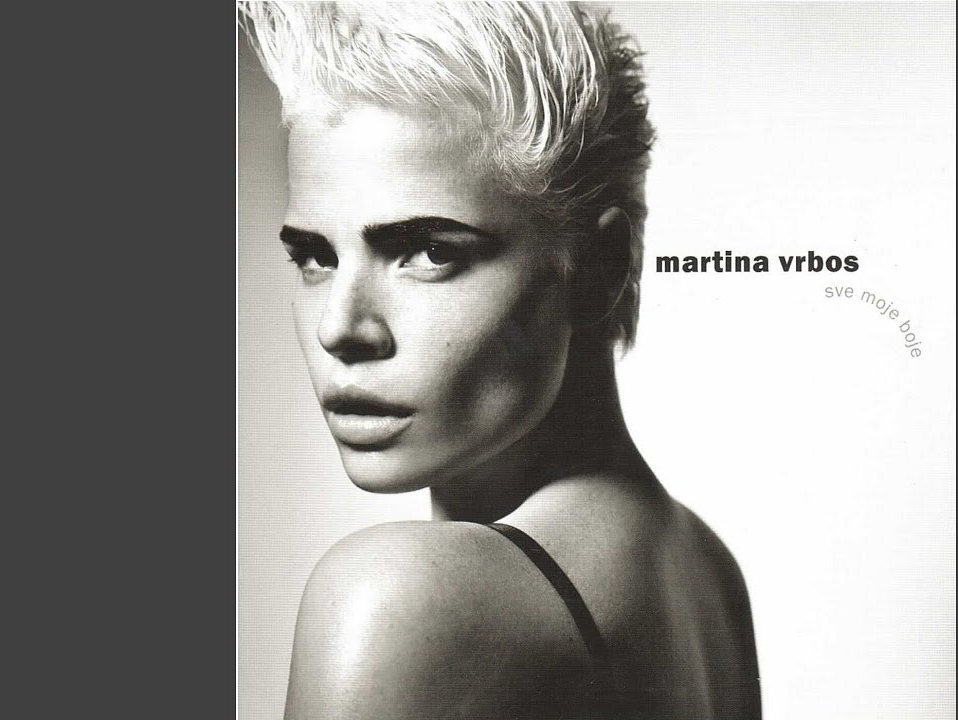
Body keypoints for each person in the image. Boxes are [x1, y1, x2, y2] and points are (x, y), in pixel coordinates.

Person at [240, 2, 760, 717]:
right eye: (315, 257)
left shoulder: (393, 597)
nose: (341, 329)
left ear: (598, 268)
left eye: (431, 252)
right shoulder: (704, 569)